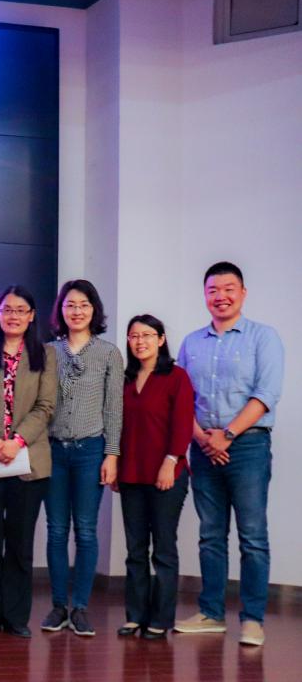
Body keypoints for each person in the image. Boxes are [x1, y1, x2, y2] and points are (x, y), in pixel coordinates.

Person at [174, 262, 284, 647]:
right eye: (213, 290)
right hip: (203, 446)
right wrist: (204, 438)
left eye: (228, 288)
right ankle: (211, 613)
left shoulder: (263, 337)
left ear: (243, 293)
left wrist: (228, 435)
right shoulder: (191, 343)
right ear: (205, 295)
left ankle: (252, 619)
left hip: (249, 446)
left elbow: (266, 394)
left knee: (252, 536)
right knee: (210, 534)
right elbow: (181, 398)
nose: (220, 296)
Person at [0, 285, 57, 638]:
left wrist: (16, 442)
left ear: (32, 316)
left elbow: (46, 406)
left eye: (21, 310)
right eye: (7, 309)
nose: (13, 316)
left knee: (20, 543)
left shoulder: (45, 354)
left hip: (29, 462)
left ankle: (17, 616)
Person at [41, 279, 123, 636]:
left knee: (86, 530)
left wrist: (112, 454)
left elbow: (114, 408)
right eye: (70, 304)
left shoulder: (108, 353)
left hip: (91, 450)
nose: (77, 311)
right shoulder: (47, 352)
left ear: (94, 310)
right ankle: (59, 605)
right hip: (53, 451)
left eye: (84, 305)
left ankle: (82, 608)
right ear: (61, 310)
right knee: (56, 530)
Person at [117, 314, 194, 640]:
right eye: (134, 336)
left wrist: (170, 461)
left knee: (163, 549)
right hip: (131, 474)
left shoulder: (176, 377)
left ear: (161, 339)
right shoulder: (124, 379)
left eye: (147, 335)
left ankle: (160, 619)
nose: (140, 342)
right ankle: (135, 616)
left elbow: (183, 423)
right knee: (135, 550)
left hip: (167, 474)